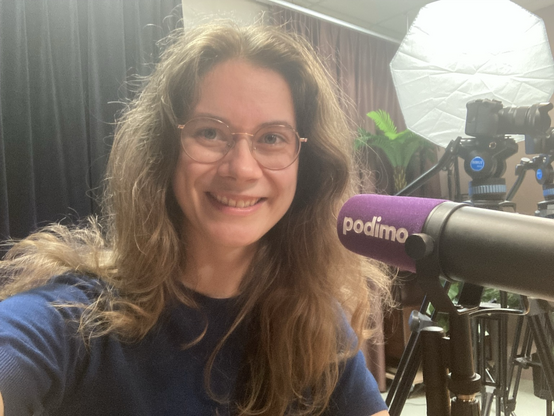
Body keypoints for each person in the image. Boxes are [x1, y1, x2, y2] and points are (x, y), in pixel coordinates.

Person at [0, 20, 392, 416]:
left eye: (272, 138)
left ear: (305, 167)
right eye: (210, 133)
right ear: (165, 149)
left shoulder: (315, 323)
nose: (241, 168)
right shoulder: (75, 316)